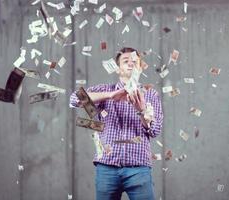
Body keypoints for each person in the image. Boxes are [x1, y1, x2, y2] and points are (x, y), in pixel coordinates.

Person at [69, 47, 164, 200]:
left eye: (135, 61)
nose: (131, 64)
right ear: (118, 69)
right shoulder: (105, 90)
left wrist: (141, 111)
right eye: (126, 61)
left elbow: (155, 130)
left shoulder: (151, 94)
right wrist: (110, 95)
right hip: (107, 168)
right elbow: (74, 99)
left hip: (138, 168)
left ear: (140, 68)